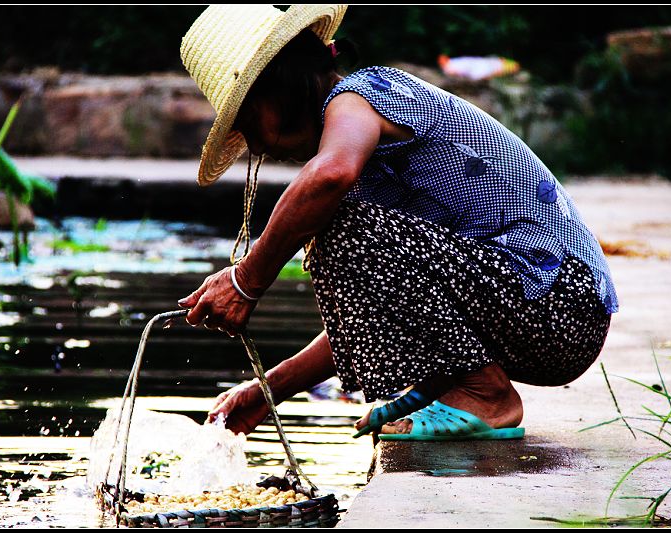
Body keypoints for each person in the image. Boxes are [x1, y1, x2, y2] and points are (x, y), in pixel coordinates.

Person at [177, 5, 618, 441]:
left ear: (278, 88)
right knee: (334, 221)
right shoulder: (360, 163)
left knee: (335, 222)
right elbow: (386, 306)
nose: (254, 144)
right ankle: (474, 387)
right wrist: (266, 391)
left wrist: (245, 281)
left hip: (561, 305)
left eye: (248, 123)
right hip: (544, 320)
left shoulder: (360, 95)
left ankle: (484, 395)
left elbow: (328, 177)